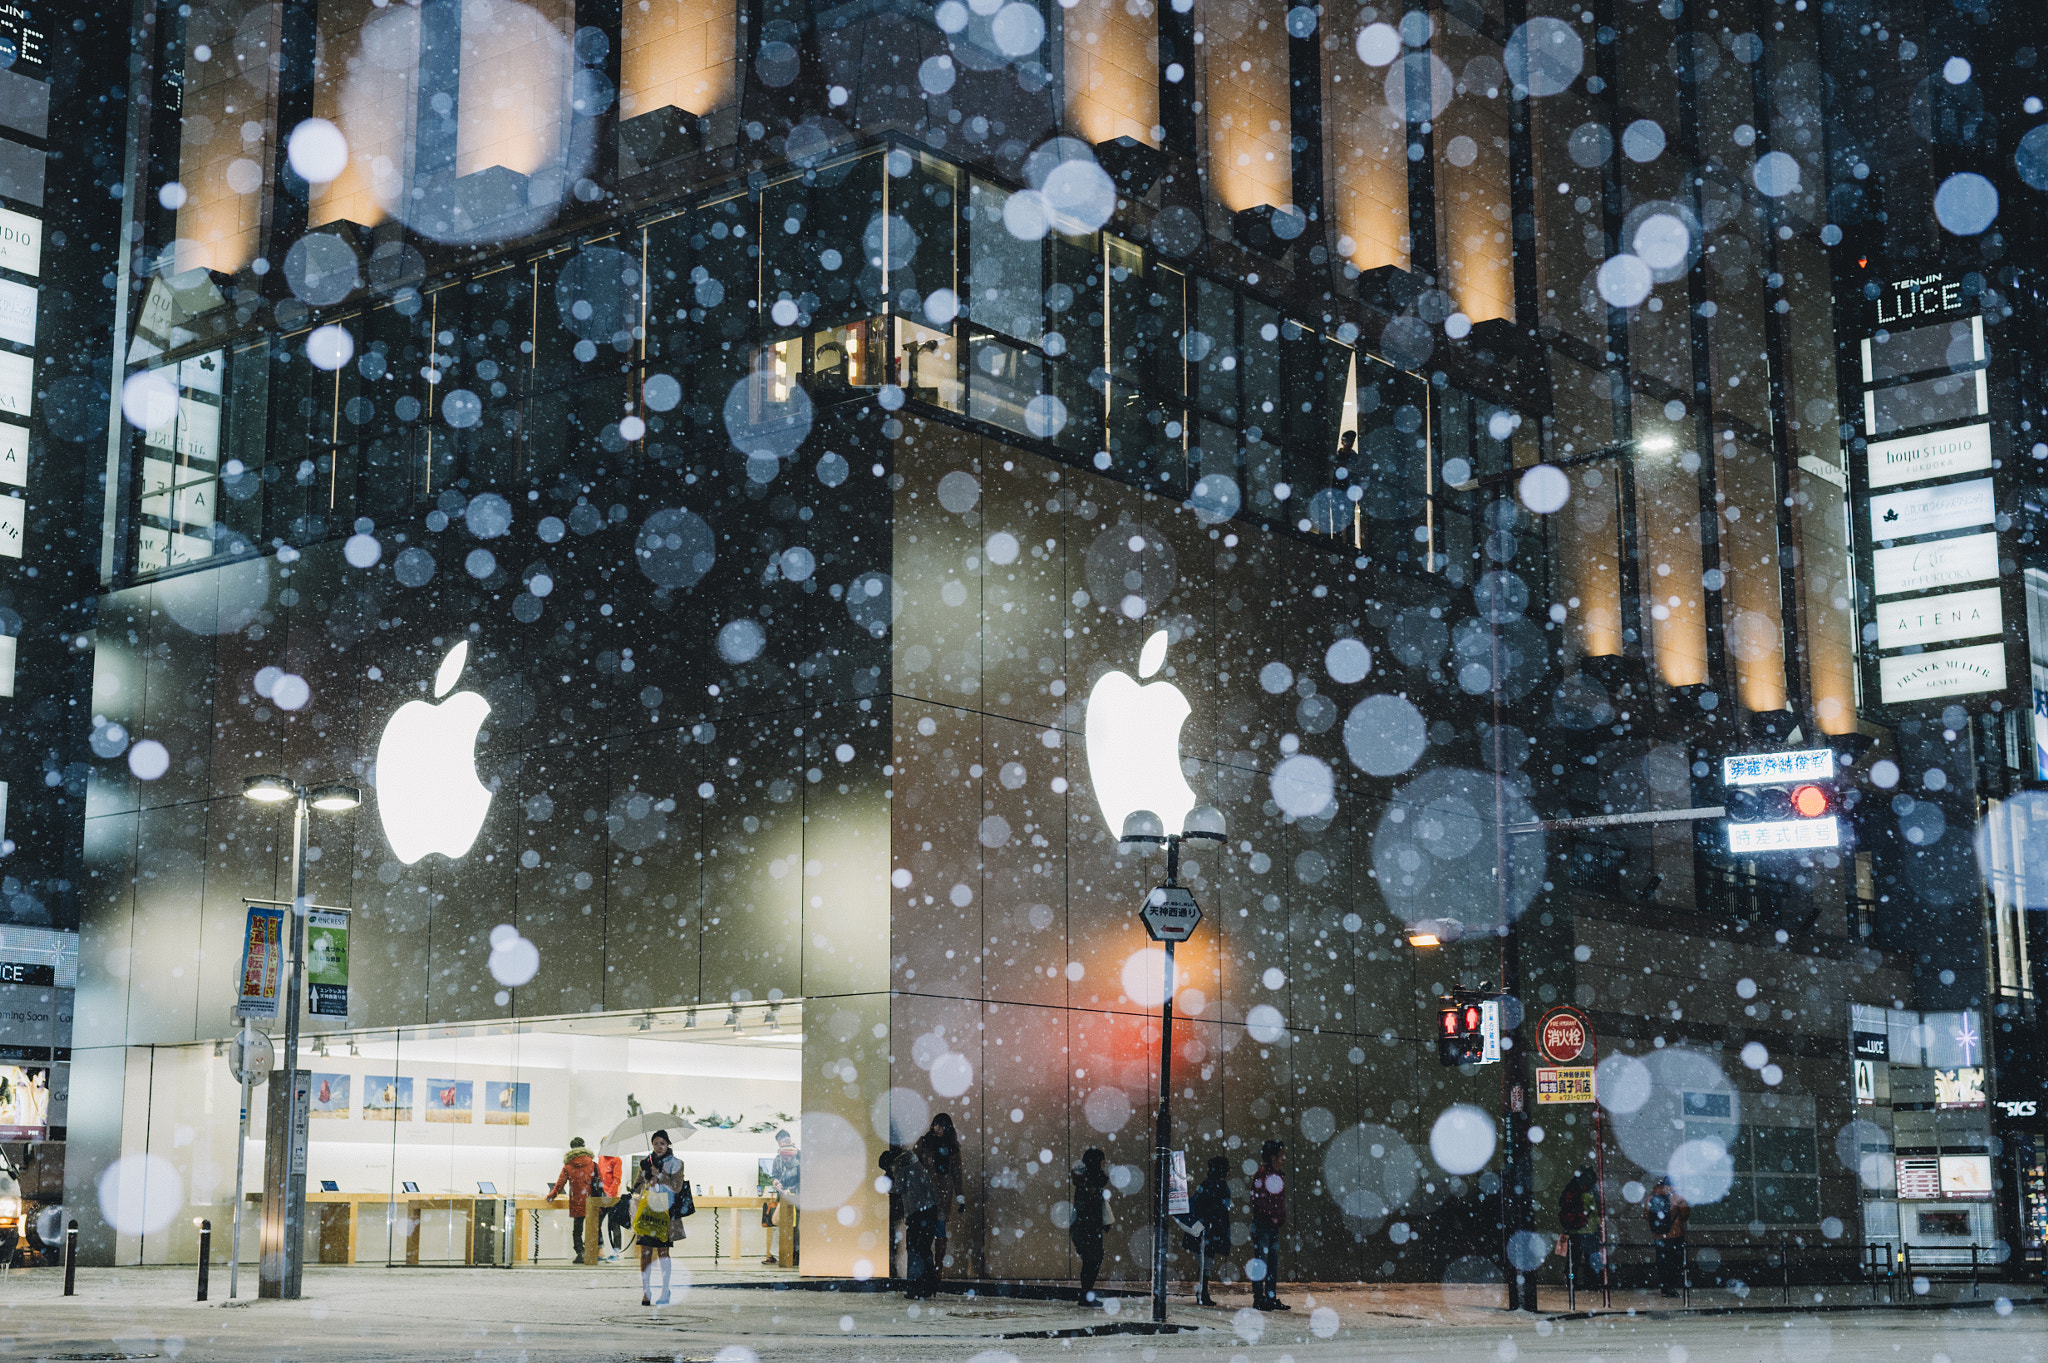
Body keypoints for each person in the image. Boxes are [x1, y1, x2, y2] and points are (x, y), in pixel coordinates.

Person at [630, 1130, 686, 1306]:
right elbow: (636, 1188)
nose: (659, 1147)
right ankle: (646, 1291)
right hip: (648, 1212)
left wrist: (660, 1177)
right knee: (645, 1253)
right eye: (655, 1143)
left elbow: (677, 1188)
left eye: (662, 1143)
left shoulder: (676, 1163)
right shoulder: (646, 1163)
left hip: (666, 1213)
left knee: (663, 1253)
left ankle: (665, 1290)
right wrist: (647, 1179)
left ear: (668, 1144)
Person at [894, 1139, 941, 1299]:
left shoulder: (901, 1166)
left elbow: (897, 1189)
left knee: (914, 1250)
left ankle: (915, 1287)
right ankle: (929, 1286)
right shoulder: (916, 1164)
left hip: (916, 1214)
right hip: (929, 1211)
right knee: (924, 1249)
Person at [918, 1114, 962, 1281]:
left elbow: (957, 1173)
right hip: (926, 1194)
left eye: (942, 1126)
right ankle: (928, 1267)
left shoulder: (952, 1147)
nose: (938, 1129)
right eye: (936, 1125)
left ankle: (938, 1267)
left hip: (943, 1195)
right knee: (926, 1231)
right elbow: (915, 1165)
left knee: (939, 1230)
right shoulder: (925, 1143)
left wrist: (960, 1196)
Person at [545, 1136, 602, 1263]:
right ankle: (591, 1253)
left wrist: (551, 1196)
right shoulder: (593, 1164)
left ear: (572, 1148)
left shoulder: (568, 1165)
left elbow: (560, 1185)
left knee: (578, 1229)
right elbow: (601, 1182)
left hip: (577, 1201)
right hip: (592, 1201)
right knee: (593, 1229)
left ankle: (580, 1252)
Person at [1187, 1156, 1232, 1307]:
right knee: (1206, 1262)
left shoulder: (1210, 1184)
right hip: (1209, 1230)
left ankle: (1202, 1292)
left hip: (1207, 1230)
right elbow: (1213, 1208)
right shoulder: (1216, 1186)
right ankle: (1202, 1292)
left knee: (1205, 1262)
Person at [1250, 1141, 1290, 1311]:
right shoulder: (1264, 1175)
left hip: (1270, 1225)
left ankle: (1268, 1297)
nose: (1284, 1158)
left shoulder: (1273, 1175)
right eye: (1281, 1155)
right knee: (1263, 1262)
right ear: (1273, 1157)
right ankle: (1260, 1298)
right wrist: (1273, 1216)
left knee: (1271, 1262)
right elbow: (1259, 1200)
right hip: (1264, 1225)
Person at [1069, 1147, 1110, 1306]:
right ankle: (1086, 1296)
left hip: (1085, 1228)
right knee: (1092, 1260)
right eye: (1102, 1160)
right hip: (1087, 1228)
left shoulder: (1088, 1180)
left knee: (1091, 1260)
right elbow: (1089, 1207)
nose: (1104, 1163)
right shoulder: (1090, 1181)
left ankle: (1086, 1295)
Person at [1644, 1175, 1689, 1298]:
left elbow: (1646, 1214)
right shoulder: (1678, 1196)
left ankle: (1664, 1287)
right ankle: (1671, 1286)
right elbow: (1685, 1214)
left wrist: (1659, 1226)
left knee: (1662, 1263)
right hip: (1675, 1234)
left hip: (1658, 1236)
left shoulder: (1652, 1196)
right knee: (1675, 1262)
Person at [763, 1128, 801, 1266]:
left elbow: (804, 1179)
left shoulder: (800, 1156)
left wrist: (790, 1190)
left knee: (796, 1226)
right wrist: (775, 1183)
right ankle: (780, 1254)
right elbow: (774, 1176)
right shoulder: (777, 1158)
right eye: (781, 1142)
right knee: (779, 1224)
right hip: (783, 1197)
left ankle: (796, 1256)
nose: (784, 1144)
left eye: (786, 1140)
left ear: (790, 1139)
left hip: (798, 1197)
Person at [1558, 1166, 1600, 1290]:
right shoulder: (1591, 1190)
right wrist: (1599, 1224)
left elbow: (1562, 1204)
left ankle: (1571, 1281)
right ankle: (1590, 1283)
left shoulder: (1571, 1187)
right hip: (1589, 1229)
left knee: (1573, 1259)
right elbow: (1595, 1211)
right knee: (1590, 1258)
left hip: (1572, 1228)